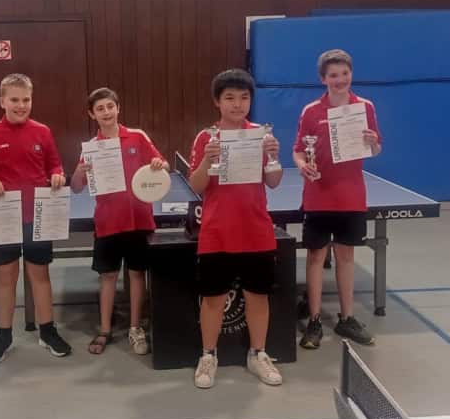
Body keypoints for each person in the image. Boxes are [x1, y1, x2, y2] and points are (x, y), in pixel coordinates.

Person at [187, 69, 284, 389]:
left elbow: (274, 181)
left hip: (257, 230)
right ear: (217, 102)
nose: (237, 104)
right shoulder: (206, 137)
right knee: (213, 299)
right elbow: (196, 186)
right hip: (217, 232)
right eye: (229, 98)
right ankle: (208, 355)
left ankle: (258, 354)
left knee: (258, 296)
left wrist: (273, 157)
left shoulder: (261, 135)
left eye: (244, 98)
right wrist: (207, 160)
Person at [0, 73, 72, 364]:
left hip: (37, 215)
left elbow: (55, 165)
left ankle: (47, 331)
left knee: (40, 274)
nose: (21, 105)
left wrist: (57, 175)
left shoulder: (42, 131)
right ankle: (4, 335)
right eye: (14, 99)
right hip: (3, 216)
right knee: (6, 276)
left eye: (26, 100)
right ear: (2, 101)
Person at [293, 49, 382, 350]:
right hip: (318, 196)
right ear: (324, 79)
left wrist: (372, 143)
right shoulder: (310, 111)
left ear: (351, 74)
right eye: (333, 75)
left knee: (346, 257)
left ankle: (347, 318)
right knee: (316, 258)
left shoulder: (365, 107)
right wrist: (303, 165)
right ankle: (315, 320)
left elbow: (376, 149)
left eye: (345, 73)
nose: (340, 79)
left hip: (351, 197)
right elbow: (298, 149)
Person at [70, 87, 168, 355]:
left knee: (137, 274)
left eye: (110, 106)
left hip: (139, 220)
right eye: (100, 109)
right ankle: (104, 329)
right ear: (92, 114)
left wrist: (159, 164)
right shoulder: (92, 148)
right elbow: (76, 187)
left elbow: (164, 165)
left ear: (118, 108)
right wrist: (79, 171)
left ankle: (135, 328)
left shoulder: (137, 137)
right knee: (108, 276)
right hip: (108, 222)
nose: (106, 112)